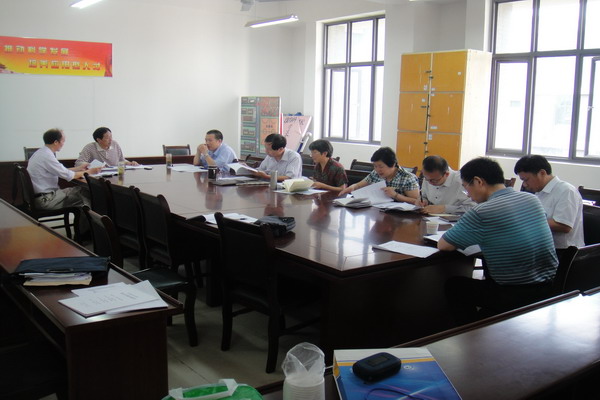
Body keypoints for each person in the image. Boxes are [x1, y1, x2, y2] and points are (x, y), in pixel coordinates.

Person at [438, 157, 558, 325]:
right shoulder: (532, 199)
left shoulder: (482, 211)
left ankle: (470, 331)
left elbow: (444, 245)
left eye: (466, 187)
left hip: (513, 293)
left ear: (478, 182)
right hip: (550, 286)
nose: (468, 195)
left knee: (454, 286)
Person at [514, 155, 584, 250]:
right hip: (542, 248)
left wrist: (527, 222)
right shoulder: (539, 192)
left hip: (563, 251)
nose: (525, 185)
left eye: (526, 180)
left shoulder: (566, 191)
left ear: (542, 173)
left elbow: (564, 226)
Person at [28, 128, 102, 212]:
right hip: (47, 199)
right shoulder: (47, 156)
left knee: (83, 192)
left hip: (42, 197)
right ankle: (91, 220)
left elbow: (60, 170)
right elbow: (69, 175)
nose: (63, 144)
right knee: (86, 194)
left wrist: (79, 168)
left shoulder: (41, 152)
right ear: (56, 142)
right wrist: (90, 171)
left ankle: (85, 219)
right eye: (63, 141)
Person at [339, 147, 419, 203]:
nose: (377, 169)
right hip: (378, 212)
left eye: (381, 166)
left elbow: (416, 201)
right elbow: (359, 185)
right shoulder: (375, 173)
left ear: (393, 164)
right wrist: (352, 187)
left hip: (401, 217)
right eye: (375, 166)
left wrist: (395, 195)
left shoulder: (407, 178)